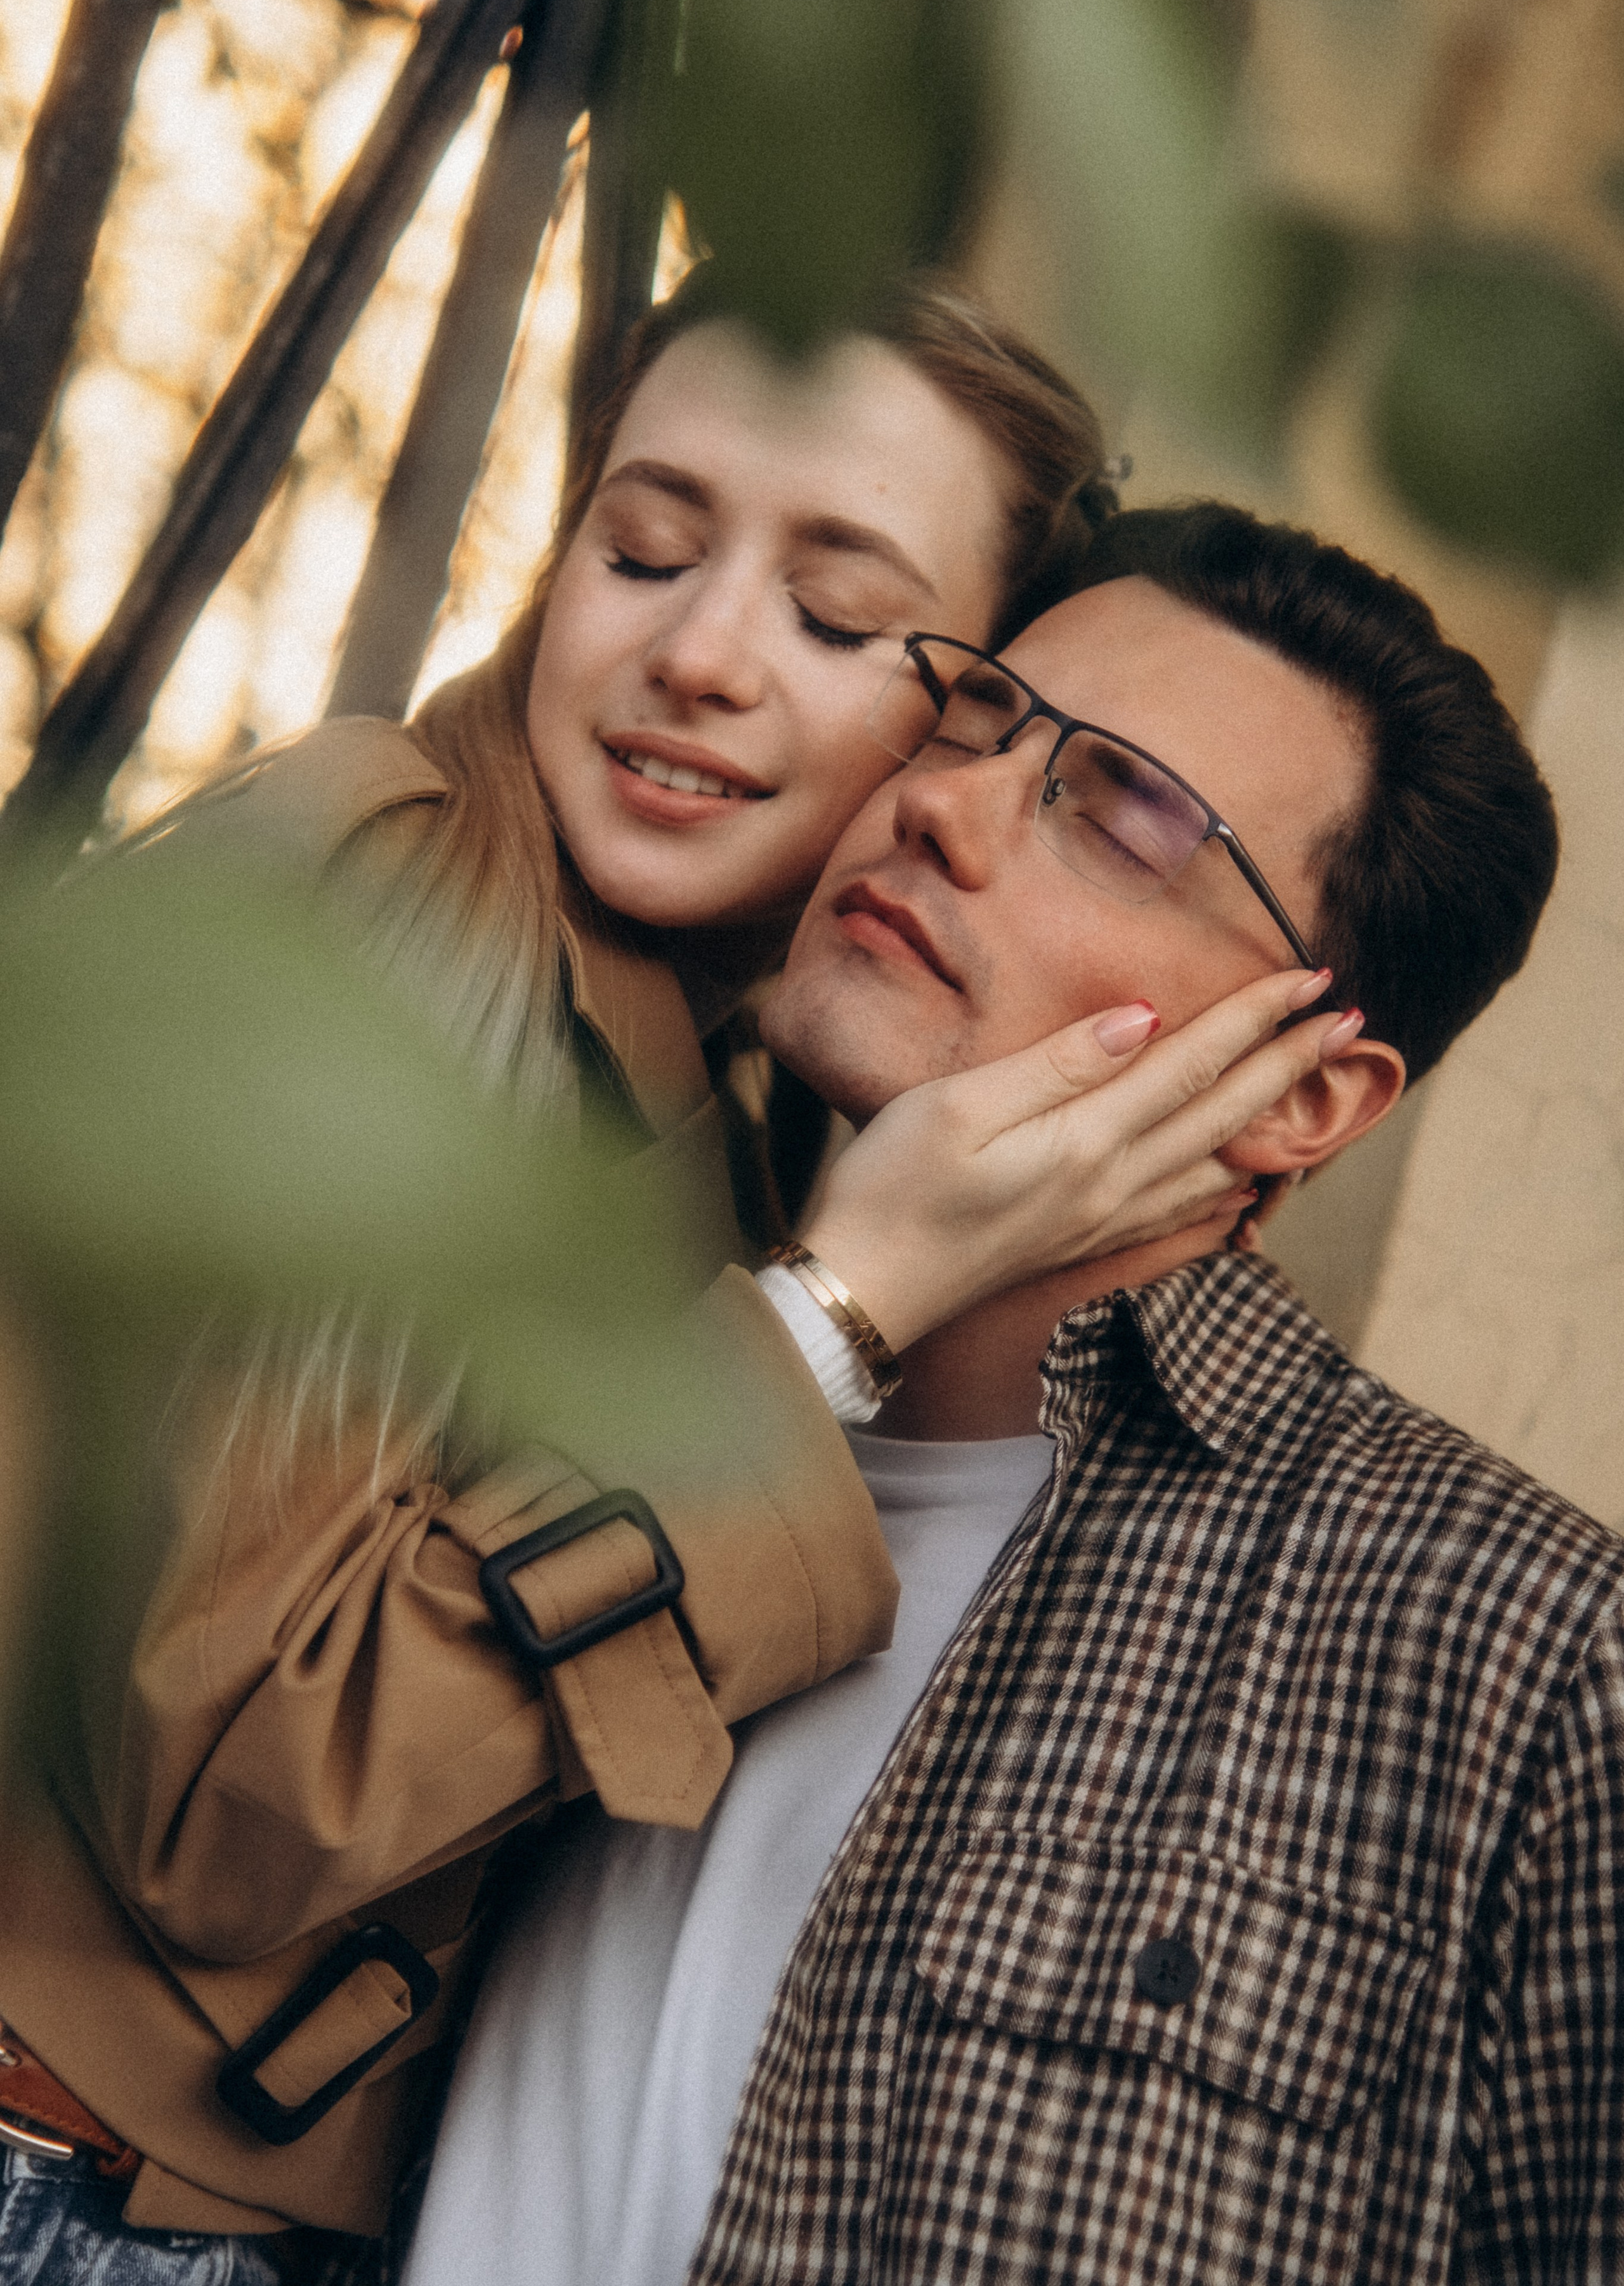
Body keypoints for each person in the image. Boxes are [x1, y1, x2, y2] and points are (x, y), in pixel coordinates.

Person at [0, 291, 1335, 2282]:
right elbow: (242, 1801)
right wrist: (836, 1311)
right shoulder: (378, 885)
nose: (694, 655)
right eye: (641, 546)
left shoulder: (711, 1094)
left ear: (976, 710)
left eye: (831, 614)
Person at [408, 502, 1618, 2286]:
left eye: (1121, 812)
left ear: (1301, 1096)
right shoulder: (572, 1353)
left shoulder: (1520, 1664)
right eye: (976, 718)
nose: (943, 805)